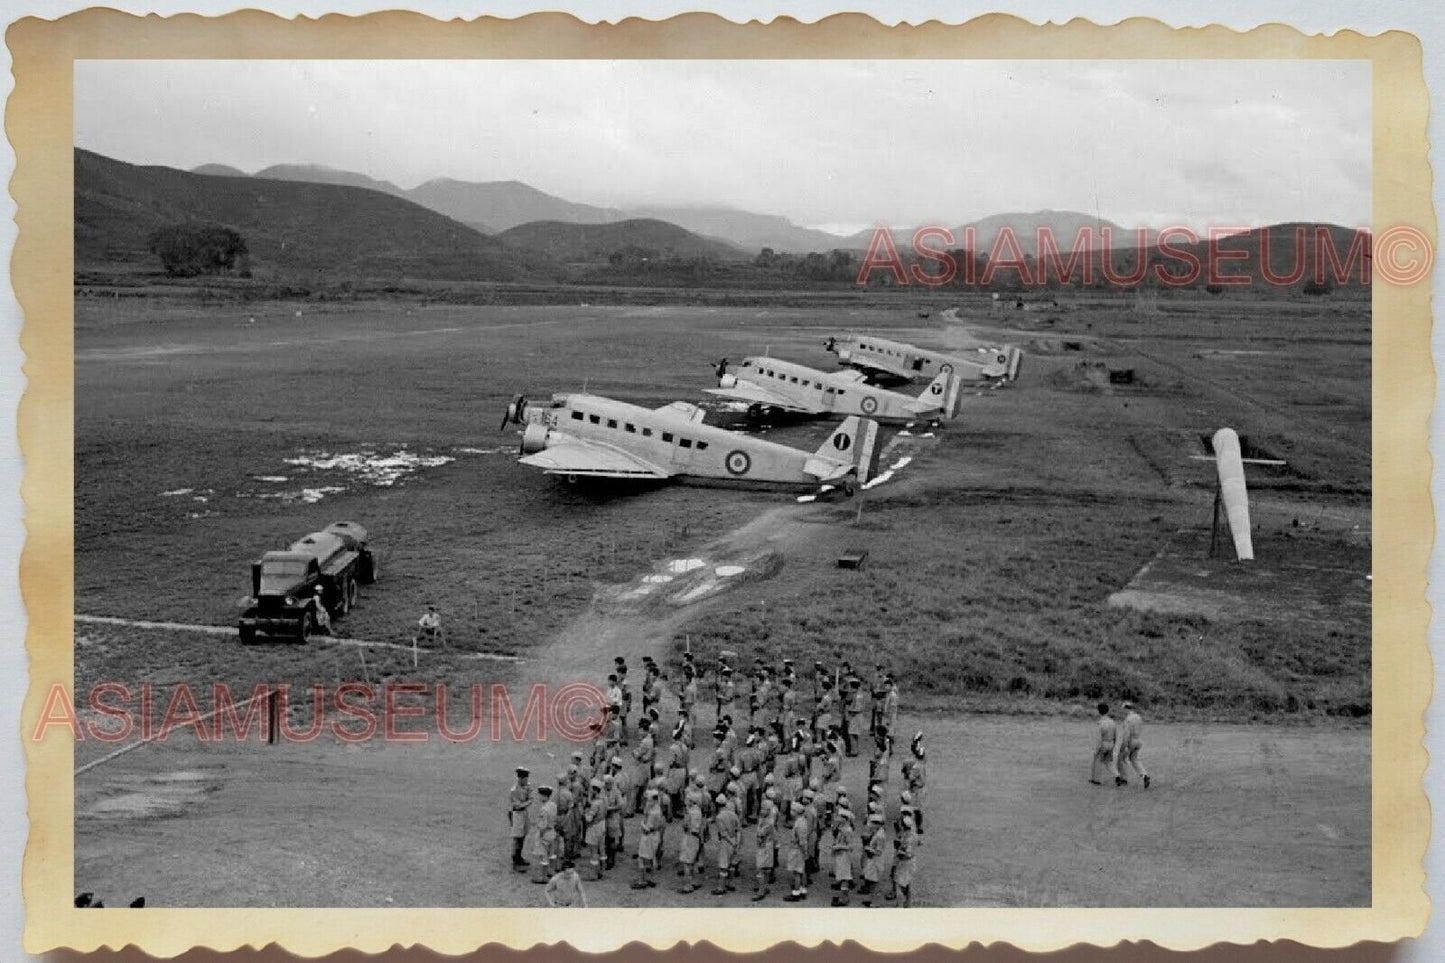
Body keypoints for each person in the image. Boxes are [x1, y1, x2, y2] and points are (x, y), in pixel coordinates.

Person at [632, 788, 665, 889]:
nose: (647, 801)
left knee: (642, 858)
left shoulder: (654, 812)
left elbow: (649, 827)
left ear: (654, 800)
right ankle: (651, 879)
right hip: (655, 835)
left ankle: (641, 881)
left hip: (649, 835)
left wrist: (643, 825)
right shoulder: (657, 809)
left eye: (649, 800)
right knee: (651, 857)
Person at [1114, 701, 1151, 788]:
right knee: (1134, 759)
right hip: (1138, 740)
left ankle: (1124, 779)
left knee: (1121, 759)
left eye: (1123, 709)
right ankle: (1145, 775)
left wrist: (1125, 745)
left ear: (1126, 709)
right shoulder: (1138, 717)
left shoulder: (1128, 719)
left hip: (1131, 741)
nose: (1122, 712)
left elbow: (1127, 734)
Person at [712, 794, 741, 895]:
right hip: (734, 839)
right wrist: (736, 842)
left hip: (726, 842)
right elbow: (738, 829)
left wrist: (731, 842)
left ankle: (721, 887)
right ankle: (730, 883)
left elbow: (723, 834)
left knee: (723, 866)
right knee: (732, 864)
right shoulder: (733, 814)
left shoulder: (719, 817)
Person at [752, 793, 778, 901]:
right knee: (766, 869)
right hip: (768, 846)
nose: (761, 811)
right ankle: (764, 887)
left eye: (763, 809)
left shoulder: (768, 822)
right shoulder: (767, 820)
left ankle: (761, 891)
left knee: (760, 869)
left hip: (764, 846)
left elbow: (760, 833)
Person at [677, 790, 705, 893]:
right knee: (693, 861)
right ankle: (694, 881)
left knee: (687, 863)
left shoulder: (689, 812)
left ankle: (687, 885)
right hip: (696, 837)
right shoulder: (699, 811)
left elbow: (685, 825)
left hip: (689, 837)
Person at [859, 812, 888, 906]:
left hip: (876, 860)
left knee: (874, 882)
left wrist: (868, 848)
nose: (871, 827)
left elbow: (878, 852)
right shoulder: (878, 833)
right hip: (873, 860)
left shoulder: (880, 836)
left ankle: (875, 902)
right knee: (871, 880)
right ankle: (870, 899)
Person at [784, 800, 810, 901]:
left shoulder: (799, 824)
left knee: (796, 872)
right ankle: (803, 889)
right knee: (802, 870)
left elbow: (801, 841)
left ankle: (796, 892)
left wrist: (804, 851)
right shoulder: (802, 821)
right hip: (800, 849)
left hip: (797, 850)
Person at [532, 785, 558, 883]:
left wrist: (540, 835)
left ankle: (543, 877)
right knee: (552, 853)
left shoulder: (544, 809)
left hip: (545, 833)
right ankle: (552, 871)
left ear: (544, 796)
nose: (539, 797)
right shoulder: (553, 805)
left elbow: (543, 825)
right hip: (552, 831)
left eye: (540, 795)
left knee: (543, 855)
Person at [508, 767, 532, 871]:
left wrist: (527, 802)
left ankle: (519, 857)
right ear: (520, 778)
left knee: (523, 836)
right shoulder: (514, 790)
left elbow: (531, 798)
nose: (526, 780)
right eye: (524, 778)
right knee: (516, 837)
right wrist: (527, 803)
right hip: (517, 814)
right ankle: (515, 861)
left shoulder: (527, 786)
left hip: (524, 814)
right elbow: (518, 806)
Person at [1090, 703, 1119, 785]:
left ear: (1099, 712)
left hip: (1104, 744)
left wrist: (1096, 749)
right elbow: (1116, 735)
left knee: (1097, 761)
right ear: (1108, 711)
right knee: (1108, 762)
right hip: (1111, 743)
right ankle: (1117, 775)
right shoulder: (1112, 722)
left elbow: (1099, 739)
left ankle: (1096, 780)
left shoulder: (1100, 723)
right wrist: (1114, 745)